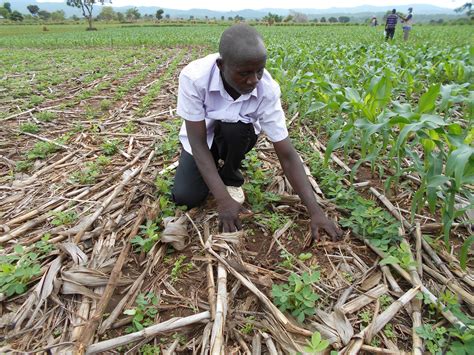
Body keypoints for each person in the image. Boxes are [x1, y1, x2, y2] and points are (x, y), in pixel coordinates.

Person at [172, 24, 341, 241]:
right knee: (185, 197)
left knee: (236, 128)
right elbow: (197, 141)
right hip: (202, 139)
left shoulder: (266, 89)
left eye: (259, 70)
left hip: (236, 137)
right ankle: (214, 174)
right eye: (244, 73)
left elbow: (287, 154)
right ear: (222, 65)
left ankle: (229, 176)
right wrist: (222, 200)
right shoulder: (194, 78)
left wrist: (316, 212)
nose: (254, 80)